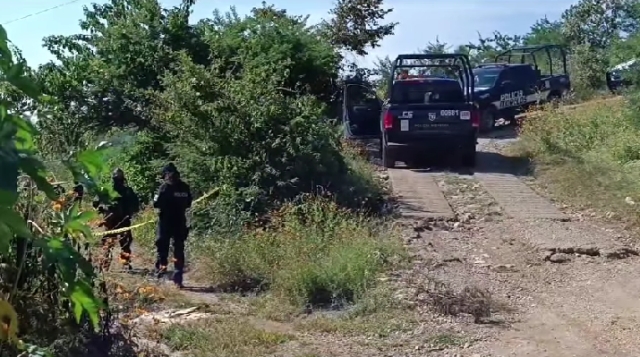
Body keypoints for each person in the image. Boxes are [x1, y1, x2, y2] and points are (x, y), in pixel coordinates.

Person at [153, 163, 192, 288]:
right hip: (180, 221)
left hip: (166, 222)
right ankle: (178, 278)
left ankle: (161, 272)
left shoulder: (164, 187)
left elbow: (156, 203)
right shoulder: (185, 187)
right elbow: (189, 203)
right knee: (178, 250)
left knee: (162, 248)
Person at [93, 168, 140, 270]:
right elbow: (136, 206)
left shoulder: (107, 190)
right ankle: (124, 265)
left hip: (111, 221)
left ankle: (105, 266)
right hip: (122, 221)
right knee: (124, 243)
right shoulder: (127, 190)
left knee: (109, 244)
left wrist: (101, 208)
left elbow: (95, 203)